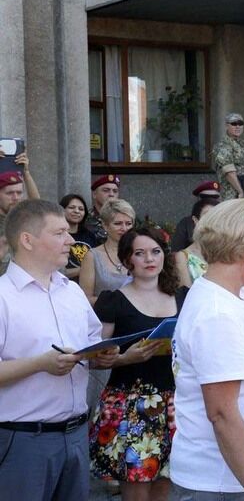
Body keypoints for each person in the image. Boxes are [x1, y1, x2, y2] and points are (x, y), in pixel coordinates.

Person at [170, 199, 244, 500]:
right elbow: (222, 413)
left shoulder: (233, 290)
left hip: (238, 474)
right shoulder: (218, 314)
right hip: (221, 482)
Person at [0, 199, 119, 500]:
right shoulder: (3, 297)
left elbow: (91, 345)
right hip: (23, 439)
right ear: (27, 240)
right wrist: (41, 363)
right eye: (59, 233)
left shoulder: (71, 292)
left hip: (76, 434)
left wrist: (103, 355)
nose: (70, 240)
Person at [90, 227, 182, 501]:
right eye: (139, 253)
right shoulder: (113, 301)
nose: (149, 259)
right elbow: (94, 358)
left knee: (165, 485)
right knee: (137, 491)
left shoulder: (183, 296)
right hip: (130, 404)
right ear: (127, 260)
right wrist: (124, 358)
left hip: (175, 401)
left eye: (155, 252)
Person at [80, 199, 136, 305]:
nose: (124, 228)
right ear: (105, 225)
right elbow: (85, 298)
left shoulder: (139, 253)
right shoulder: (92, 256)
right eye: (118, 223)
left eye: (128, 223)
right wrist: (119, 303)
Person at [173, 199, 218, 288]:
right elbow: (185, 293)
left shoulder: (228, 252)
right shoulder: (183, 257)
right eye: (207, 215)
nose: (213, 220)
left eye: (217, 216)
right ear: (195, 220)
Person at [212, 113, 244, 200]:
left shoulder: (242, 145)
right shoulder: (223, 146)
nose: (237, 126)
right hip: (232, 195)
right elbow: (229, 172)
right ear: (226, 126)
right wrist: (241, 191)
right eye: (234, 124)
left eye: (240, 123)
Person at [169, 181, 221, 252]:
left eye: (215, 198)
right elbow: (176, 250)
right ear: (198, 199)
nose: (210, 201)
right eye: (205, 197)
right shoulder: (185, 223)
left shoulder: (227, 222)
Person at [61, 193, 100, 281]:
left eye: (81, 209)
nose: (77, 211)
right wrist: (86, 269)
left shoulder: (90, 236)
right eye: (71, 207)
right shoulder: (57, 236)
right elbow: (59, 272)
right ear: (62, 210)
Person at [85, 174, 121, 242]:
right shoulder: (85, 219)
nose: (111, 194)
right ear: (94, 194)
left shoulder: (125, 218)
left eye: (115, 191)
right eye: (106, 190)